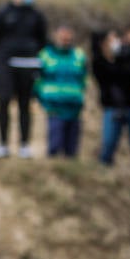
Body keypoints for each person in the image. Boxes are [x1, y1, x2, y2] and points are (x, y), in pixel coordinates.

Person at [0, 0, 47, 159]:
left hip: (29, 65)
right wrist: (5, 55)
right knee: (4, 101)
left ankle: (24, 145)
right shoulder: (3, 12)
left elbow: (42, 39)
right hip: (6, 65)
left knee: (25, 104)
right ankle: (3, 144)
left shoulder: (37, 15)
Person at [92, 24, 130, 170]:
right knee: (108, 143)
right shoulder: (99, 62)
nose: (116, 42)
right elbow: (113, 76)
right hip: (112, 107)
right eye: (112, 39)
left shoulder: (126, 56)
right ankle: (103, 172)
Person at [34, 24, 87, 159]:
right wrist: (43, 98)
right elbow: (37, 80)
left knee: (72, 150)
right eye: (62, 35)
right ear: (56, 36)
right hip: (54, 107)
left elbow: (84, 79)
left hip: (74, 107)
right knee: (54, 146)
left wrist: (80, 96)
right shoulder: (45, 54)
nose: (65, 39)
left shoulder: (79, 55)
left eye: (68, 36)